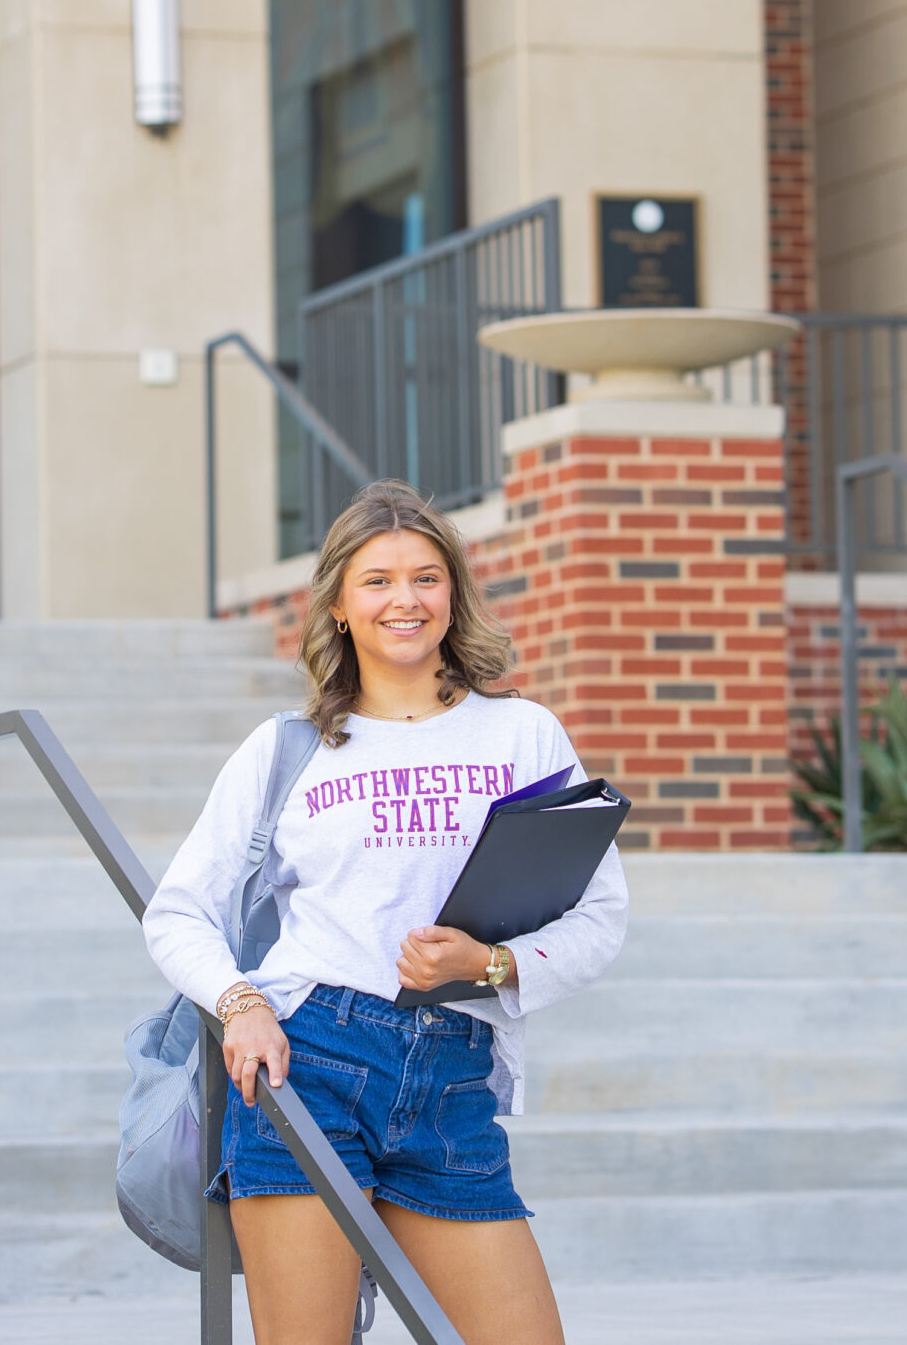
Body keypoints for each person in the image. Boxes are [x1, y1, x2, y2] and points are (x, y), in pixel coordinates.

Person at [145, 479, 626, 1345]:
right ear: (337, 604)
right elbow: (176, 912)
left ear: (454, 594)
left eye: (426, 577)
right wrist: (241, 1004)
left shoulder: (522, 736)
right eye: (377, 580)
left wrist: (487, 965)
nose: (405, 600)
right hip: (310, 1059)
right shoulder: (286, 749)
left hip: (453, 1072)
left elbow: (599, 918)